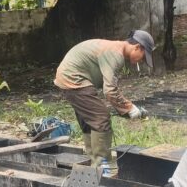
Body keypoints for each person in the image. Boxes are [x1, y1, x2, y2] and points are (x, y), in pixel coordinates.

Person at [54, 30, 154, 170]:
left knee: (90, 119)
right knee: (101, 118)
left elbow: (109, 86)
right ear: (137, 47)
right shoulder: (115, 54)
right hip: (74, 79)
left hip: (68, 78)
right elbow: (110, 91)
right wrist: (129, 108)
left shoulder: (114, 49)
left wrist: (125, 108)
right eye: (143, 57)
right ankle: (104, 167)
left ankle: (93, 161)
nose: (141, 60)